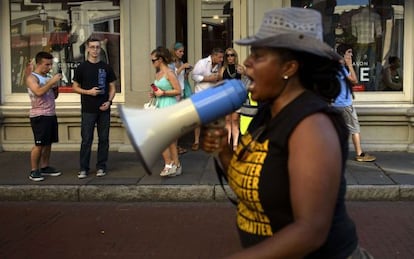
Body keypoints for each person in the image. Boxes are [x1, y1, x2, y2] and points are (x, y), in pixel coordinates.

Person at [201, 8, 372, 258]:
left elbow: (311, 231)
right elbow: (252, 184)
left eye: (258, 56)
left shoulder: (312, 125)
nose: (247, 63)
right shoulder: (267, 113)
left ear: (289, 67)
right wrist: (224, 152)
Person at [72, 38, 116, 179]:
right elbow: (75, 87)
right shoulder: (82, 68)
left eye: (97, 47)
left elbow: (112, 88)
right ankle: (84, 168)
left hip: (104, 109)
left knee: (104, 139)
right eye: (92, 47)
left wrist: (109, 101)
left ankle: (101, 167)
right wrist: (88, 92)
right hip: (88, 109)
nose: (95, 50)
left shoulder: (106, 67)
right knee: (86, 139)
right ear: (87, 49)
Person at [334, 43, 376, 162]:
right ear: (344, 54)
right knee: (354, 128)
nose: (352, 54)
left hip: (335, 103)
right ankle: (359, 154)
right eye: (350, 52)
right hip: (344, 104)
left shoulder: (333, 67)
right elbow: (355, 81)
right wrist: (350, 65)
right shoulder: (341, 67)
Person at [26, 51, 63, 182]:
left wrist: (55, 87)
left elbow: (54, 96)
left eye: (51, 64)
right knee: (39, 144)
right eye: (47, 64)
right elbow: (38, 92)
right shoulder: (32, 78)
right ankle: (34, 170)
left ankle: (45, 166)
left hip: (50, 114)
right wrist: (50, 82)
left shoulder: (47, 77)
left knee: (48, 143)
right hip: (39, 115)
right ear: (39, 63)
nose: (49, 67)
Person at [151, 46, 182, 177]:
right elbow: (158, 90)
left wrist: (163, 93)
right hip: (159, 105)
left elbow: (178, 90)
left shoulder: (170, 73)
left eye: (153, 60)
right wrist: (154, 93)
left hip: (169, 106)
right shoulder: (158, 74)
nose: (152, 63)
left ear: (161, 59)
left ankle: (168, 164)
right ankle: (176, 165)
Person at [191, 47, 224, 151]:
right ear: (213, 56)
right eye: (220, 57)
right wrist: (208, 78)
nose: (221, 59)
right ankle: (196, 141)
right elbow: (194, 76)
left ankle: (211, 141)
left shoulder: (218, 65)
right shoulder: (202, 62)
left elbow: (216, 78)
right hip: (200, 94)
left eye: (222, 57)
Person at [169, 42, 193, 154]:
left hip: (181, 91)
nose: (182, 53)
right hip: (174, 94)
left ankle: (176, 146)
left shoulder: (180, 62)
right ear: (174, 51)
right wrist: (182, 67)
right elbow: (172, 76)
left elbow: (182, 78)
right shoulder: (170, 63)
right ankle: (173, 148)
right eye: (180, 51)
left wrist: (186, 72)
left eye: (183, 51)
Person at [219, 48, 244, 150]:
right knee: (227, 120)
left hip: (236, 97)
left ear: (235, 56)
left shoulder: (240, 68)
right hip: (226, 97)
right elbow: (220, 84)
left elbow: (245, 80)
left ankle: (235, 144)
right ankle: (228, 142)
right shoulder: (223, 69)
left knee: (235, 119)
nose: (230, 57)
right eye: (228, 55)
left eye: (232, 55)